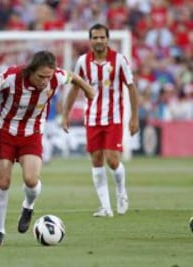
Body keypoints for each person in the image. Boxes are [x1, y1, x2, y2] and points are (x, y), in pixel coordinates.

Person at [0, 50, 94, 245]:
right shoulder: (11, 77)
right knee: (3, 183)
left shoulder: (56, 77)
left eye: (49, 76)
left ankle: (28, 206)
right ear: (30, 71)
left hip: (32, 133)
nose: (45, 81)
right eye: (41, 76)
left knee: (31, 179)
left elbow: (73, 76)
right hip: (5, 132)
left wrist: (87, 89)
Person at [62, 23, 139, 218]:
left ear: (107, 39)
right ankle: (105, 207)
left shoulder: (119, 60)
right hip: (92, 118)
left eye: (102, 37)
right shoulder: (82, 62)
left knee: (112, 160)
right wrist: (66, 114)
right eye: (95, 37)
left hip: (113, 117)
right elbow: (75, 88)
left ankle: (121, 192)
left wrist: (134, 117)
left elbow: (131, 88)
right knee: (96, 160)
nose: (98, 41)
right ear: (90, 41)